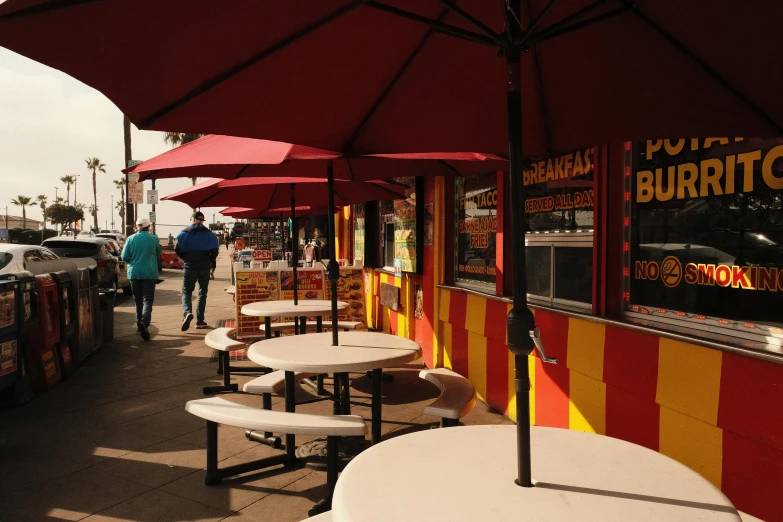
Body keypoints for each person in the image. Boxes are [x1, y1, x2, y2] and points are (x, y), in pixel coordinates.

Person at [176, 211, 219, 330]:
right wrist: (210, 260)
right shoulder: (209, 234)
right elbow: (215, 251)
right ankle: (200, 321)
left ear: (193, 219)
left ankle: (187, 313)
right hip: (204, 265)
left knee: (186, 292)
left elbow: (177, 248)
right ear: (202, 220)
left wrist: (186, 258)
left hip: (189, 265)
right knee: (202, 293)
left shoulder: (184, 233)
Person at [121, 218, 161, 341]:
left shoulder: (131, 239)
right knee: (147, 299)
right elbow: (158, 253)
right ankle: (144, 322)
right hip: (149, 273)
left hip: (134, 273)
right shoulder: (154, 239)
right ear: (148, 227)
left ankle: (140, 325)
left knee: (137, 299)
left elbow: (124, 256)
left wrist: (133, 262)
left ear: (137, 227)